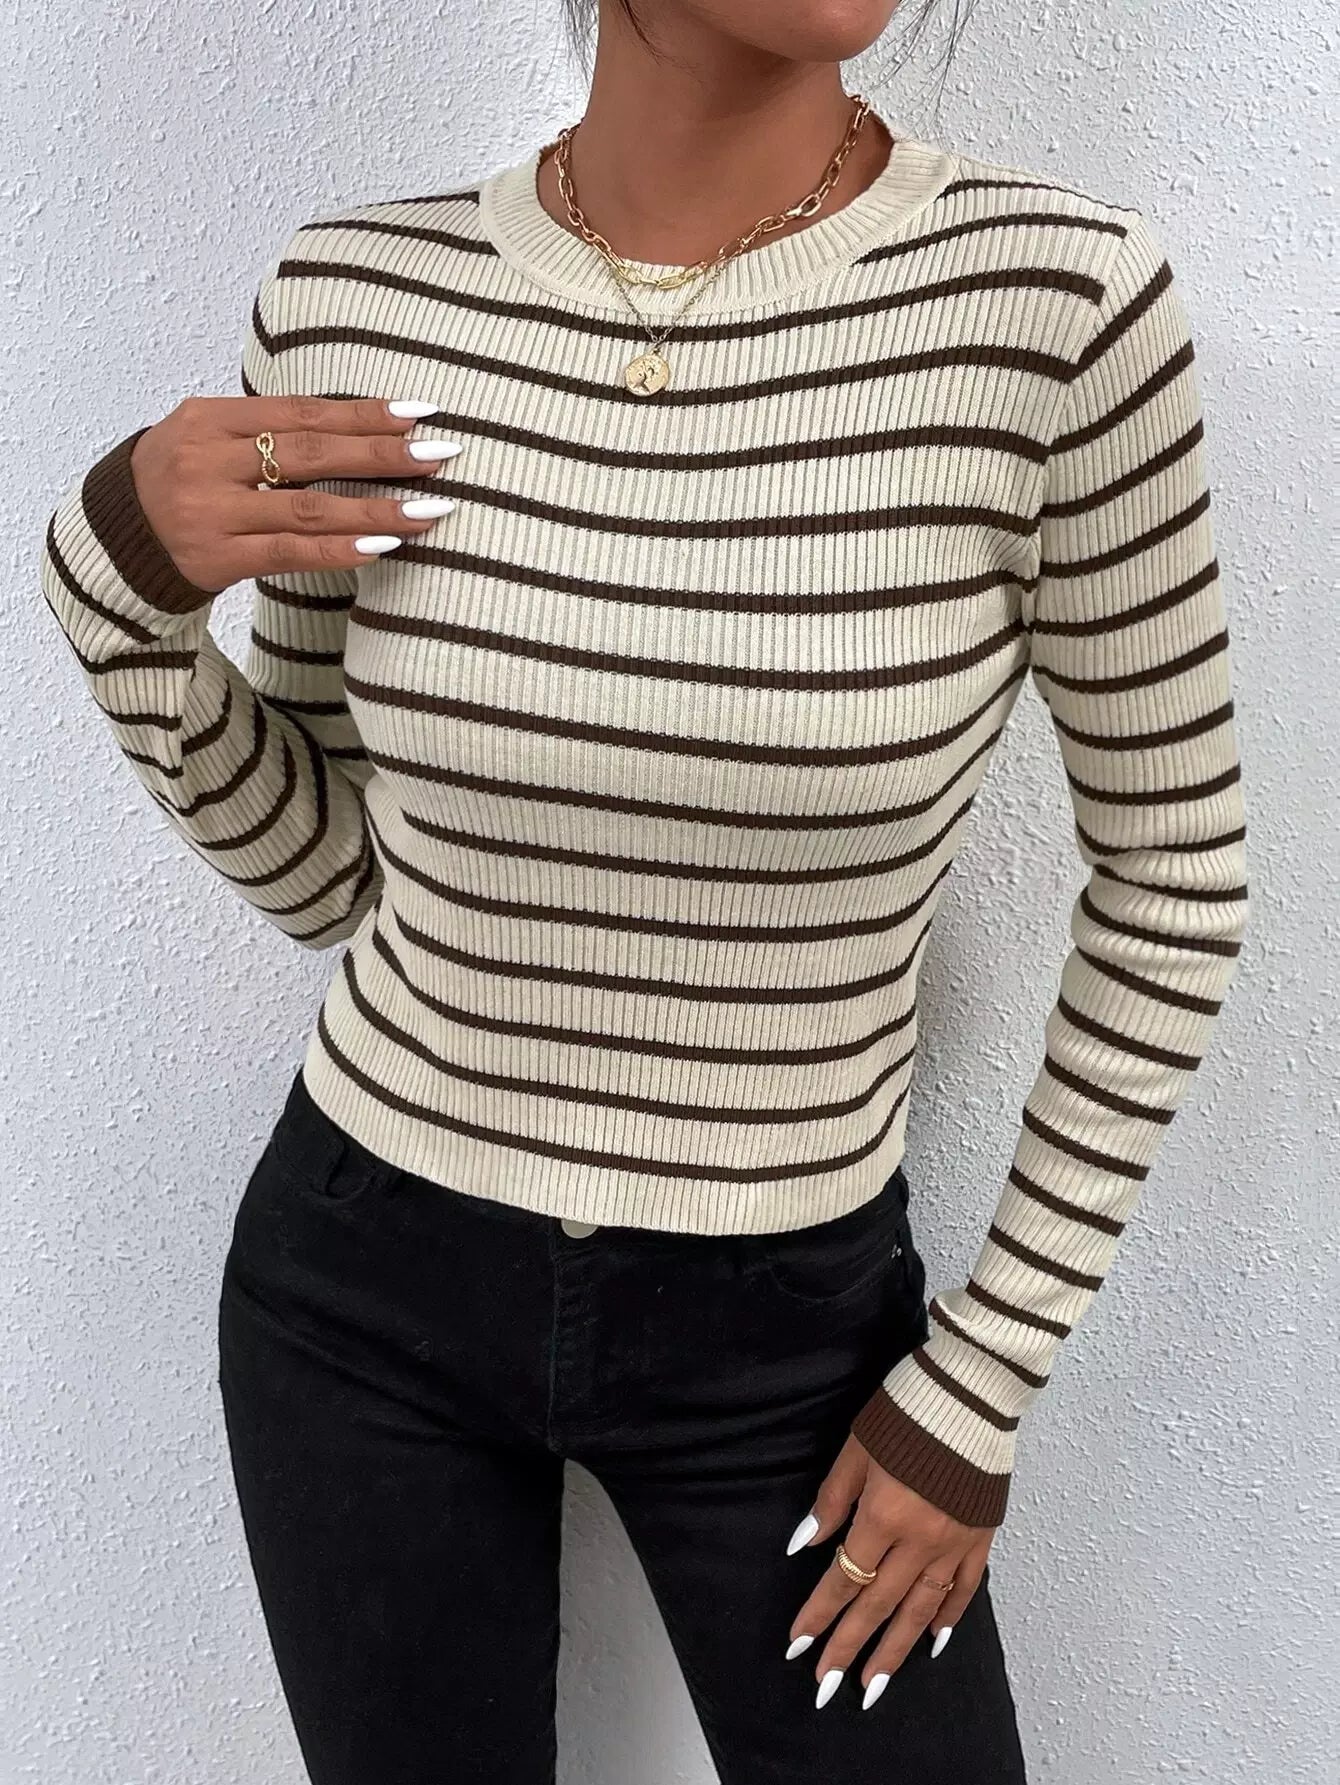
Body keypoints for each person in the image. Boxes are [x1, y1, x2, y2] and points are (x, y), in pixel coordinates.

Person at [38, 1, 1249, 1779]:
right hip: (362, 1291)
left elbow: (1177, 872)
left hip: (790, 1343)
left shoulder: (1056, 307)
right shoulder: (360, 296)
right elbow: (337, 878)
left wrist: (980, 1382)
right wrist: (115, 597)